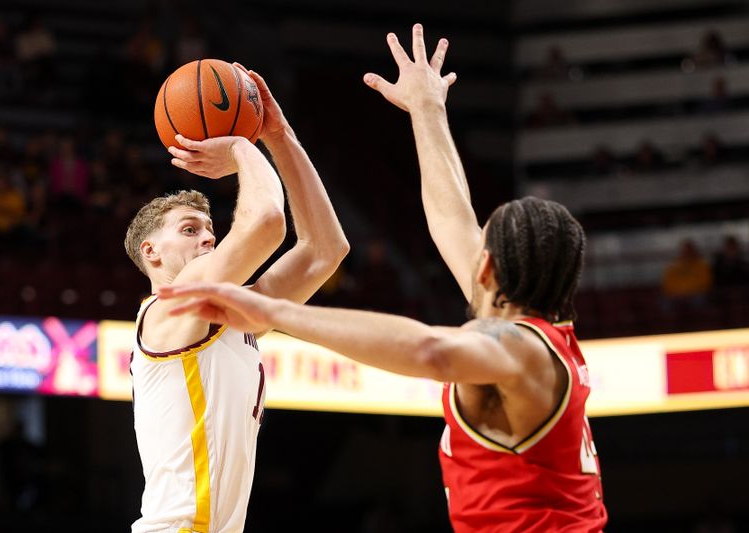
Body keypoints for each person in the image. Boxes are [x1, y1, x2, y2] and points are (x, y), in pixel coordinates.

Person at [158, 24, 607, 533]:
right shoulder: (537, 332)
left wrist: (276, 313)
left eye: (483, 245)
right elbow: (451, 219)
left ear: (488, 268)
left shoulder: (520, 348)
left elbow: (430, 351)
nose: (473, 246)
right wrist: (427, 110)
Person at [123, 65, 348, 533]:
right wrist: (244, 145)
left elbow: (325, 250)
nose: (208, 239)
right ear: (151, 252)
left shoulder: (228, 313)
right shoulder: (173, 306)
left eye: (212, 230)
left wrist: (279, 134)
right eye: (190, 230)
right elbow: (267, 222)